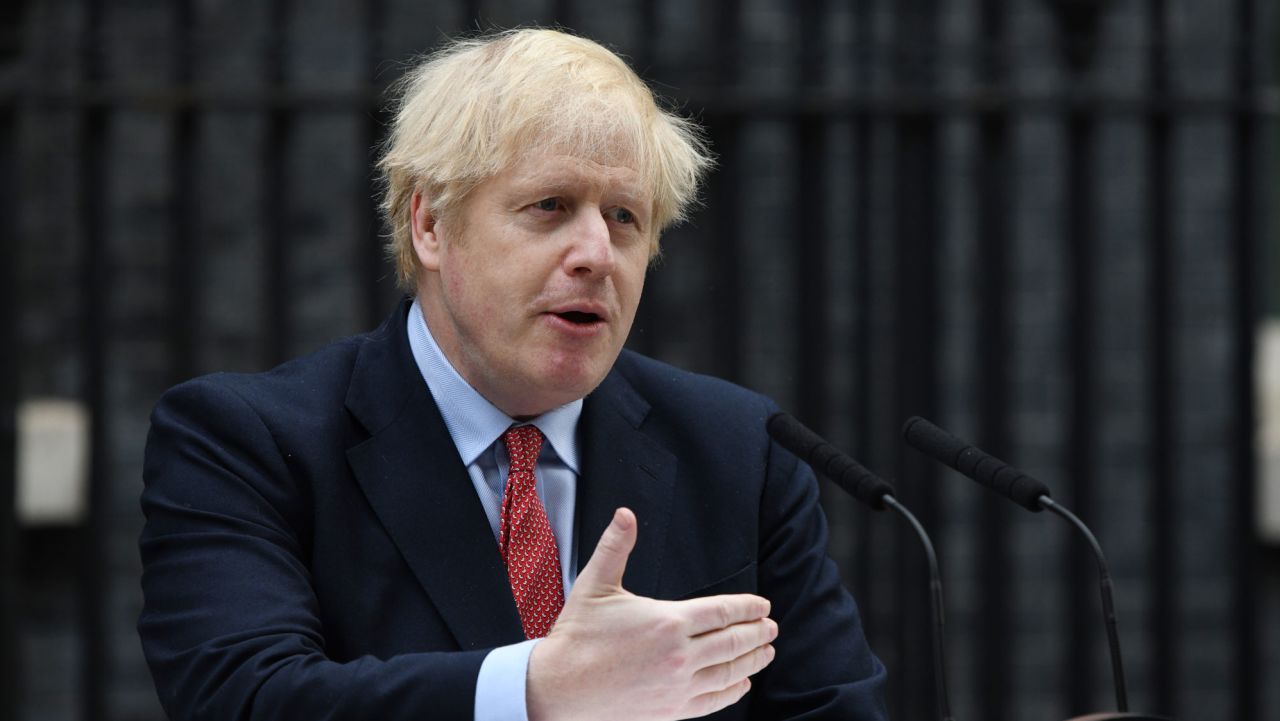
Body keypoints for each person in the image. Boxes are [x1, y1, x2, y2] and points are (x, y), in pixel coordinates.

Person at [138, 28, 888, 721]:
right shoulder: (246, 440)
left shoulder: (736, 447)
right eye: (550, 206)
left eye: (625, 216)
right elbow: (243, 697)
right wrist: (536, 687)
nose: (596, 252)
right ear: (430, 225)